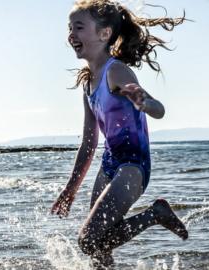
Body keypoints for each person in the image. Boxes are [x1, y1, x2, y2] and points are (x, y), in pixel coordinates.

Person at [51, 0, 188, 268]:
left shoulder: (116, 71)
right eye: (69, 28)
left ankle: (154, 214)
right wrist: (71, 187)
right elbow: (89, 143)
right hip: (110, 165)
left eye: (79, 27)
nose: (71, 34)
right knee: (98, 252)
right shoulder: (88, 83)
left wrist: (143, 102)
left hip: (132, 167)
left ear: (104, 34)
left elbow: (159, 110)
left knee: (88, 241)